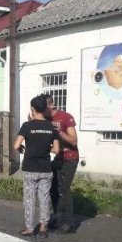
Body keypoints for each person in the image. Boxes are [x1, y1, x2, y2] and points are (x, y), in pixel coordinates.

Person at [14, 95, 60, 239]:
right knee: (44, 198)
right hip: (46, 169)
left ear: (32, 109)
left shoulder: (27, 126)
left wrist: (21, 147)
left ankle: (29, 228)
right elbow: (57, 150)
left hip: (30, 168)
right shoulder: (52, 127)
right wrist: (45, 149)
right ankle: (43, 228)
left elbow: (16, 145)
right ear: (45, 109)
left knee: (29, 198)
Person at [45, 94, 79, 234]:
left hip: (70, 158)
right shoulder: (46, 119)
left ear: (51, 105)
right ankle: (58, 218)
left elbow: (74, 141)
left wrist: (59, 132)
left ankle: (69, 224)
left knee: (64, 190)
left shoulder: (65, 117)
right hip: (58, 158)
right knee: (53, 188)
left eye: (44, 106)